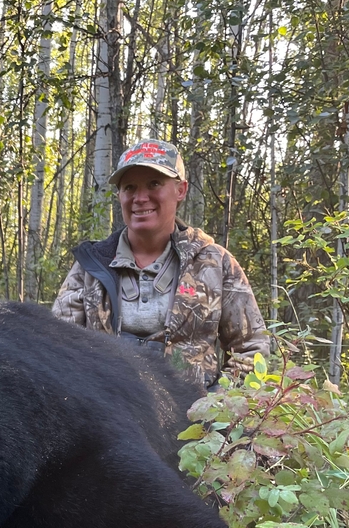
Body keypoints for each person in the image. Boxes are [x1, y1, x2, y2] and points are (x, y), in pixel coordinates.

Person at [52, 139, 269, 389]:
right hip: (108, 407)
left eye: (154, 184)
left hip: (194, 409)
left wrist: (219, 403)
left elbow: (252, 349)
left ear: (181, 190)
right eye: (129, 187)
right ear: (120, 195)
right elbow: (58, 345)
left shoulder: (215, 264)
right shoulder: (92, 265)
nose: (140, 198)